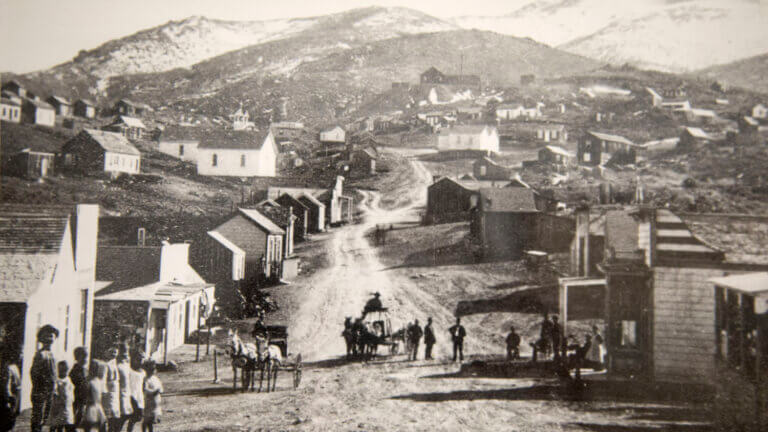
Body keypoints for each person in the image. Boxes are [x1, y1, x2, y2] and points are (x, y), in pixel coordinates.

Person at [31, 324, 59, 432]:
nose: (49, 339)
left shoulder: (53, 354)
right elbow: (34, 373)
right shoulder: (40, 354)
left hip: (51, 390)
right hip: (41, 390)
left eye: (51, 336)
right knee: (38, 416)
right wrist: (41, 387)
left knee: (48, 417)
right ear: (41, 338)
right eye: (46, 336)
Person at [81, 360, 107, 432]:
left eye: (97, 368)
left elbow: (102, 394)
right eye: (93, 368)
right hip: (91, 406)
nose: (95, 370)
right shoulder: (88, 380)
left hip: (98, 405)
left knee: (103, 425)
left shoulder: (99, 380)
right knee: (89, 425)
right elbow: (85, 394)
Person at [50, 360, 75, 432]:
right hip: (58, 406)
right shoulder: (57, 381)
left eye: (66, 370)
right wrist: (56, 406)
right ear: (58, 370)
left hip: (67, 406)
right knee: (57, 424)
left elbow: (71, 391)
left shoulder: (68, 380)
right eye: (62, 370)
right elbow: (55, 393)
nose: (64, 372)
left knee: (67, 423)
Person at [0, 349, 22, 432]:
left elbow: (7, 386)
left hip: (9, 400)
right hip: (11, 399)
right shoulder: (13, 368)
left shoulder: (9, 368)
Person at [102, 345, 121, 432]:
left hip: (115, 389)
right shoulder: (105, 364)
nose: (113, 354)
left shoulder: (114, 362)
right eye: (111, 352)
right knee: (108, 412)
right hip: (108, 389)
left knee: (114, 413)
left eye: (115, 352)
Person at [70, 347, 89, 429]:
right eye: (83, 356)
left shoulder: (86, 370)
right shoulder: (75, 369)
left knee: (81, 414)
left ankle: (75, 427)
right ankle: (72, 428)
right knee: (74, 413)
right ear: (77, 357)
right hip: (76, 395)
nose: (85, 359)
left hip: (83, 396)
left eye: (86, 357)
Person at [125, 356, 146, 432]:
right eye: (138, 360)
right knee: (132, 415)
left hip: (139, 396)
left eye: (141, 360)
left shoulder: (143, 372)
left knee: (139, 416)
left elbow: (143, 385)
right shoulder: (130, 371)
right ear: (134, 360)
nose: (140, 362)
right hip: (131, 395)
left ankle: (129, 429)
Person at [143, 361, 163, 432]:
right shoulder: (146, 379)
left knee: (152, 419)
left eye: (153, 369)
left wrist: (159, 391)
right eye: (150, 370)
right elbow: (145, 390)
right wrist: (153, 392)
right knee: (147, 419)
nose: (152, 371)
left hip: (156, 400)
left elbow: (160, 388)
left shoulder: (155, 379)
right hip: (149, 400)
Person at [116, 351, 134, 431]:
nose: (126, 356)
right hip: (121, 392)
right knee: (123, 415)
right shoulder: (118, 366)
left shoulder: (127, 365)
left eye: (127, 354)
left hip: (128, 392)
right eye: (124, 355)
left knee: (127, 414)